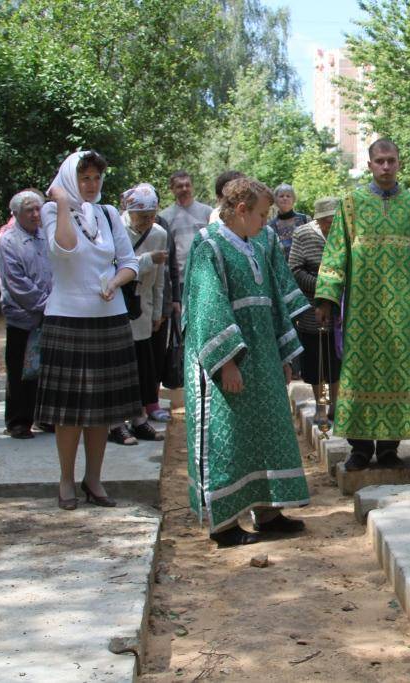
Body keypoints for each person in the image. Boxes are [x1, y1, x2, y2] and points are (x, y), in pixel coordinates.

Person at [183, 177, 312, 547]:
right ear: (241, 210)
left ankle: (268, 512)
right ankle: (224, 525)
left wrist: (283, 353)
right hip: (230, 359)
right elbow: (208, 306)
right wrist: (226, 362)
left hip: (263, 354)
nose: (265, 221)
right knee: (231, 435)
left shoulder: (257, 242)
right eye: (261, 214)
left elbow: (273, 296)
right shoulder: (209, 245)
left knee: (267, 430)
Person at [314, 139, 410, 471]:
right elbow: (336, 253)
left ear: (399, 163)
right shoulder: (351, 204)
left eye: (391, 160)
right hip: (362, 311)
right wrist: (326, 298)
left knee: (398, 374)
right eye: (380, 161)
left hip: (403, 310)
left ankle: (390, 447)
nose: (386, 166)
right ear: (370, 165)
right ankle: (360, 449)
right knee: (360, 373)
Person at [37, 151, 141, 510]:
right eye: (85, 178)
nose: (92, 184)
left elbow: (129, 263)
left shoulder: (109, 214)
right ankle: (66, 479)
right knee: (69, 413)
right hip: (66, 319)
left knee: (103, 410)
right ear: (70, 179)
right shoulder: (52, 212)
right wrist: (62, 201)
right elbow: (64, 249)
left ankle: (93, 479)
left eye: (97, 178)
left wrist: (115, 281)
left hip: (110, 319)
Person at [107, 184, 168, 446]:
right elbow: (112, 268)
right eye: (142, 216)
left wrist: (157, 311)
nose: (147, 221)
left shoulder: (159, 233)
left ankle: (139, 419)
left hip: (142, 306)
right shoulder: (113, 229)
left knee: (141, 366)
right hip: (116, 305)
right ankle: (115, 423)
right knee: (117, 367)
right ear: (129, 212)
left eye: (152, 216)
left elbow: (159, 279)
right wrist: (147, 260)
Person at [0, 190, 52, 439]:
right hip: (23, 317)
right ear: (16, 214)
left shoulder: (46, 235)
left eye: (38, 209)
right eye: (29, 210)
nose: (35, 214)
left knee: (45, 369)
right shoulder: (8, 241)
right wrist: (45, 303)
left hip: (50, 315)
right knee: (20, 371)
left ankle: (44, 416)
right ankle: (18, 421)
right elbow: (16, 282)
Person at [289, 197, 341, 415]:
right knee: (315, 359)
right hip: (312, 307)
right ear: (318, 220)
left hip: (340, 305)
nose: (332, 226)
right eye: (328, 222)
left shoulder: (346, 234)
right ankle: (321, 405)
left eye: (335, 221)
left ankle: (336, 406)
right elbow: (295, 269)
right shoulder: (303, 234)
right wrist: (323, 287)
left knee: (337, 358)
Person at [159, 171, 212, 322]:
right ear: (172, 189)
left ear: (192, 187)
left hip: (204, 275)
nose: (184, 189)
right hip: (179, 280)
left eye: (187, 185)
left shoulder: (207, 212)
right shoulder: (165, 217)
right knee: (182, 323)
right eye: (179, 186)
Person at [268, 184, 310, 262]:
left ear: (293, 199)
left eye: (288, 196)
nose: (285, 198)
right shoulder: (270, 226)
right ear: (275, 200)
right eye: (281, 196)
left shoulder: (305, 219)